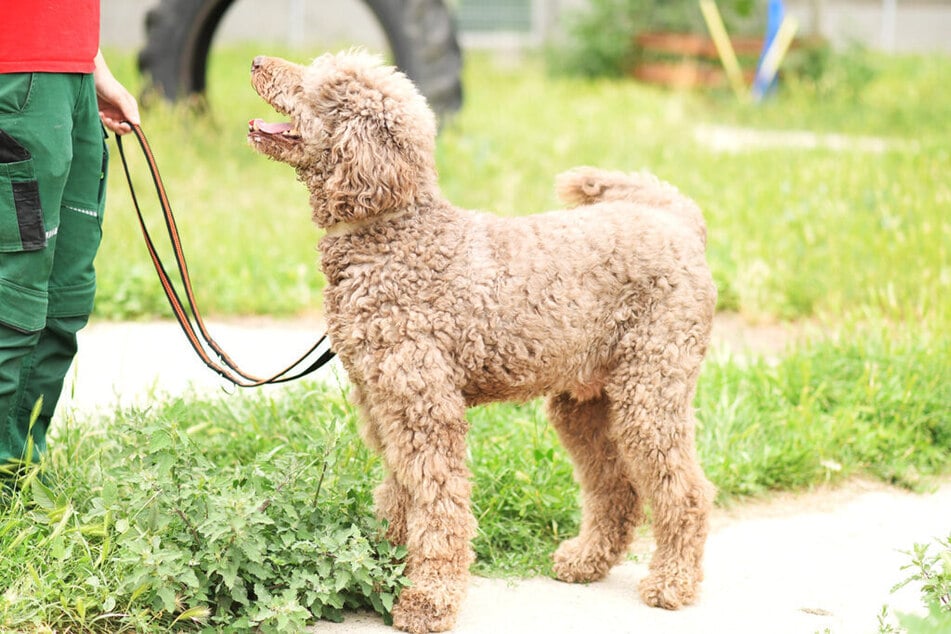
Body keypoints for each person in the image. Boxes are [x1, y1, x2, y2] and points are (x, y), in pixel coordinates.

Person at [0, 1, 141, 477]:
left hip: (69, 69)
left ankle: (16, 478)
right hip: (14, 72)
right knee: (12, 297)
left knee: (64, 297)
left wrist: (89, 61)